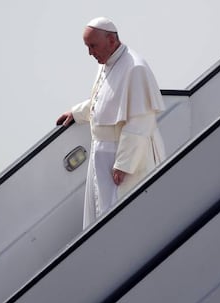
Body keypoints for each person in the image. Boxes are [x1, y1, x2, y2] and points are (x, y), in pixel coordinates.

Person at [56, 17, 166, 229]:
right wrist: (77, 113)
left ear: (111, 41)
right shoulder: (106, 63)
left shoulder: (136, 68)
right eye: (87, 47)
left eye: (93, 46)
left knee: (122, 219)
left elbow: (140, 121)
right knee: (100, 216)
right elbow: (103, 101)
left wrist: (124, 164)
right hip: (102, 155)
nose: (90, 53)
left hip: (122, 158)